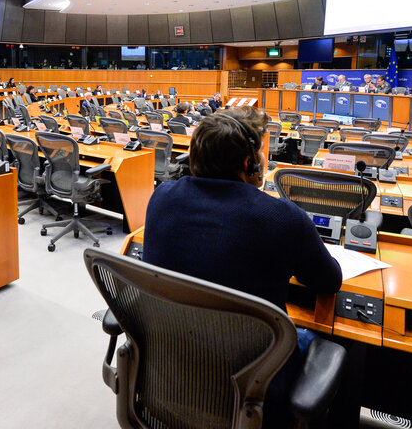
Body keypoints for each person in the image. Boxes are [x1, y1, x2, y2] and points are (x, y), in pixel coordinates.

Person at [142, 106, 342, 429]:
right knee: (318, 339)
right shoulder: (283, 218)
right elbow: (329, 280)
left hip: (170, 372)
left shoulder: (161, 198)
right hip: (252, 387)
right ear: (251, 163)